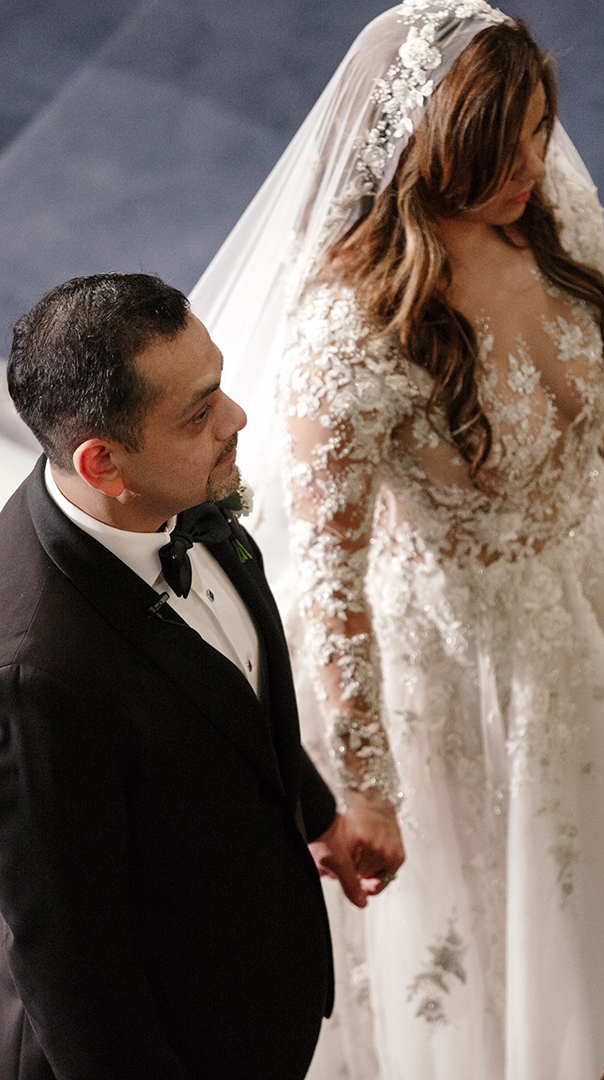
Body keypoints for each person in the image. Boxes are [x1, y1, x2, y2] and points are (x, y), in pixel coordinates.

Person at [189, 3, 604, 1078]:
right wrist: (368, 786)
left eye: (539, 130)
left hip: (597, 576)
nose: (531, 165)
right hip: (477, 657)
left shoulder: (548, 208)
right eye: (500, 148)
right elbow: (333, 581)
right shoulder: (351, 332)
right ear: (427, 154)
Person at [0, 271, 374, 1080]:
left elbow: (232, 689)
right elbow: (74, 966)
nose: (236, 419)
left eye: (219, 387)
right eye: (200, 414)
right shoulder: (38, 679)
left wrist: (314, 811)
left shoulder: (175, 492)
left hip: (264, 983)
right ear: (104, 463)